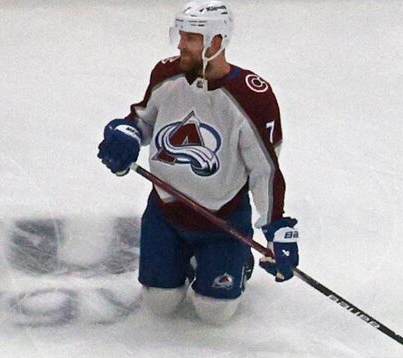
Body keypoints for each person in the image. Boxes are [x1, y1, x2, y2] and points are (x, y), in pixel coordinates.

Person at [97, 2, 296, 325]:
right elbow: (142, 120)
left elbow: (265, 169)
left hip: (222, 220)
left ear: (216, 42)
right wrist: (126, 136)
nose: (180, 45)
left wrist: (276, 228)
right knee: (160, 302)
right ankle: (186, 261)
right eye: (182, 35)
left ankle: (236, 260)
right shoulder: (166, 75)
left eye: (190, 38)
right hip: (165, 213)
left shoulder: (251, 97)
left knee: (215, 312)